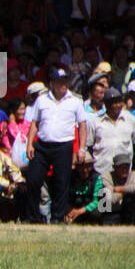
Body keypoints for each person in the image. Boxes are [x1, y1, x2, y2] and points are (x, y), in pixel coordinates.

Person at [22, 67, 90, 223]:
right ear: (52, 83)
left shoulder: (76, 101)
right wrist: (29, 144)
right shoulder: (41, 99)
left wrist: (81, 148)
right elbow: (35, 123)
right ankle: (32, 216)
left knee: (61, 182)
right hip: (42, 145)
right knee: (33, 179)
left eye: (65, 81)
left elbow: (82, 126)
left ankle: (57, 218)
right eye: (60, 81)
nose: (63, 84)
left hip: (63, 146)